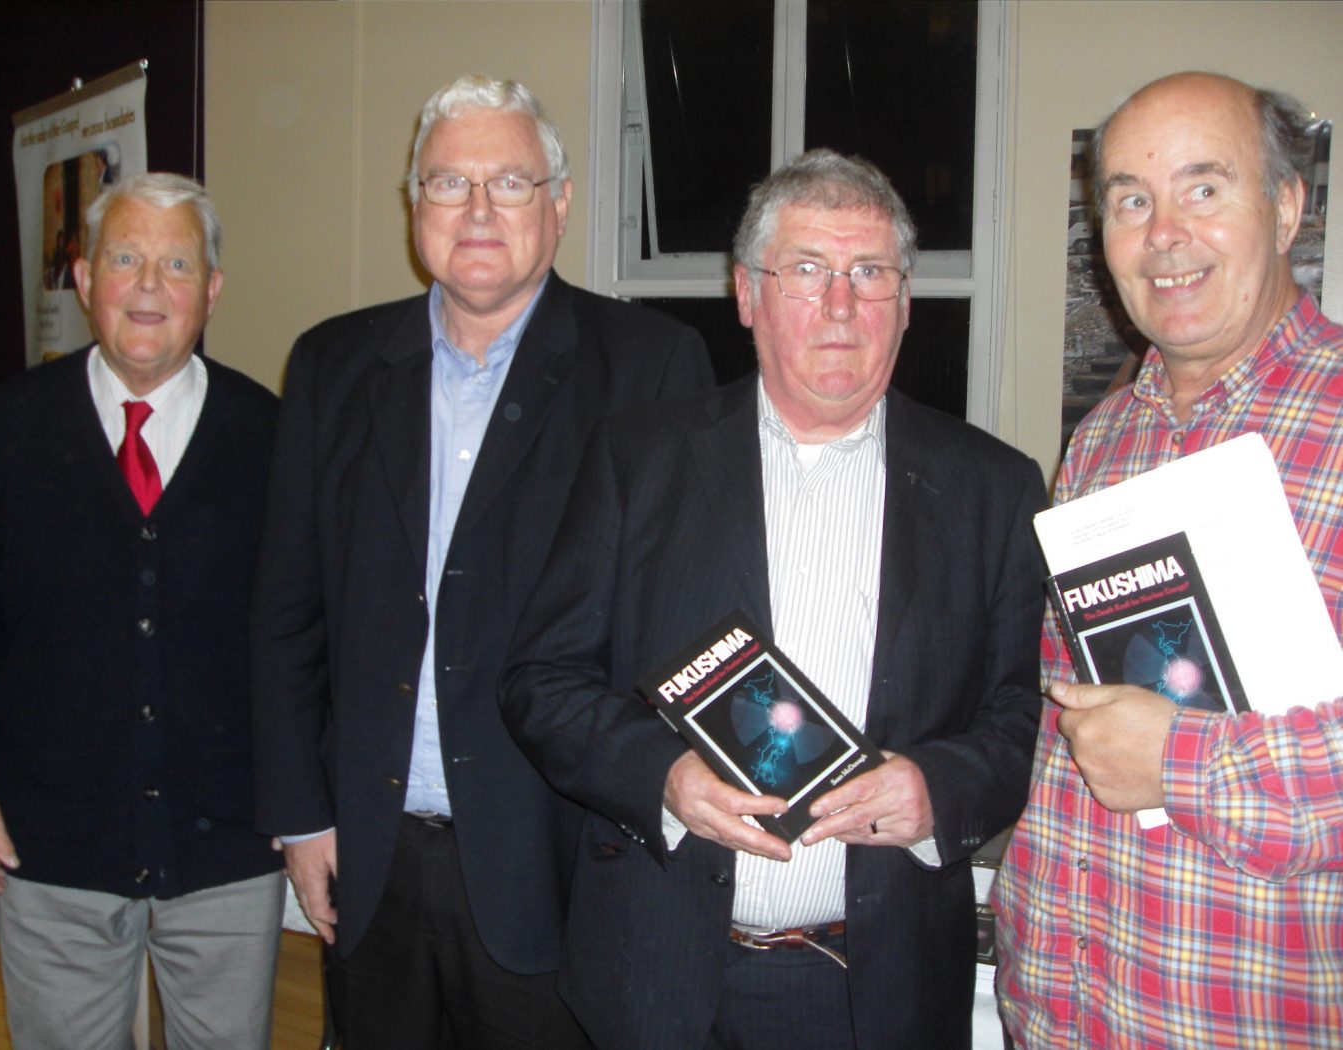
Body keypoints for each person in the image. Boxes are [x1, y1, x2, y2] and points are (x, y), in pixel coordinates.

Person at [499, 148, 1047, 1050]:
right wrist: (663, 778)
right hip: (660, 976)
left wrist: (940, 790)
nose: (841, 305)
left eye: (869, 273)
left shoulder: (993, 487)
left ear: (905, 303)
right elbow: (541, 680)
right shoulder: (637, 461)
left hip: (875, 991)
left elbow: (1025, 713)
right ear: (747, 294)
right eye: (805, 271)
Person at [250, 74, 712, 1048]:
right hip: (366, 859)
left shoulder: (649, 368)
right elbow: (286, 612)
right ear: (412, 205)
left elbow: (671, 628)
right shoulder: (331, 366)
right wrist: (300, 819)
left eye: (508, 182)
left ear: (560, 201)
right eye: (446, 184)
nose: (476, 211)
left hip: (555, 862)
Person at [994, 72, 1343, 1047]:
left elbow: (1152, 751)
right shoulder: (1105, 438)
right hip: (1061, 1012)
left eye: (1201, 188)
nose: (1160, 235)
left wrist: (1179, 763)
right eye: (1128, 201)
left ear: (1283, 207)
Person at [0, 173, 284, 1048]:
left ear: (210, 290)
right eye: (125, 257)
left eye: (176, 263)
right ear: (86, 278)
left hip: (227, 846)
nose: (147, 285)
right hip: (51, 839)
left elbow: (301, 638)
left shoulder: (272, 434)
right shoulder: (13, 430)